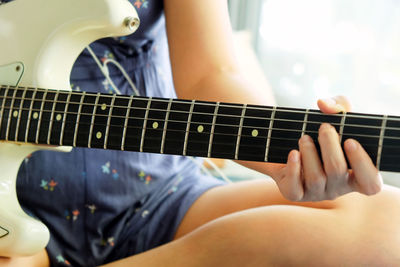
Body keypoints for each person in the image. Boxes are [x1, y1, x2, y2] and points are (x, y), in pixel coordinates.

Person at [2, 0, 400, 266]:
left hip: (164, 200)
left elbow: (213, 72)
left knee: (387, 226)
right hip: (11, 219)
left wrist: (286, 159)